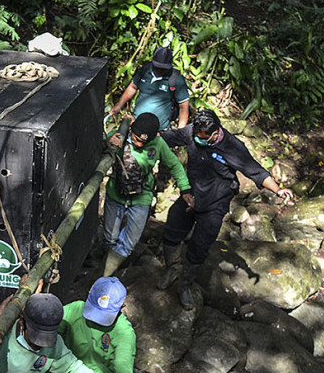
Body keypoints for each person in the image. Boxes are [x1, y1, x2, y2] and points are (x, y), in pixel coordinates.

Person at [158, 109, 294, 310]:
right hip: (191, 197)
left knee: (199, 246)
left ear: (215, 133)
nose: (198, 139)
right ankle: (173, 269)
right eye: (196, 135)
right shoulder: (192, 133)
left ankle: (185, 285)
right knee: (172, 229)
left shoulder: (233, 147)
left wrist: (278, 190)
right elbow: (168, 137)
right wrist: (145, 132)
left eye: (203, 137)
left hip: (215, 204)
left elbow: (256, 171)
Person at [101, 112, 193, 276]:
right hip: (116, 193)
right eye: (135, 138)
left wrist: (185, 189)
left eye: (143, 142)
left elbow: (175, 165)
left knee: (129, 242)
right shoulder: (120, 134)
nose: (137, 143)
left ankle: (106, 274)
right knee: (110, 237)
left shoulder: (157, 144)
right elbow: (96, 148)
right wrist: (108, 143)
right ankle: (104, 262)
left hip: (141, 195)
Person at [108, 46, 191, 129]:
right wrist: (119, 106)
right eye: (157, 67)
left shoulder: (175, 79)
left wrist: (180, 131)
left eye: (163, 69)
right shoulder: (144, 70)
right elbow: (133, 87)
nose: (160, 70)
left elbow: (183, 106)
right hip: (136, 124)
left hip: (160, 130)